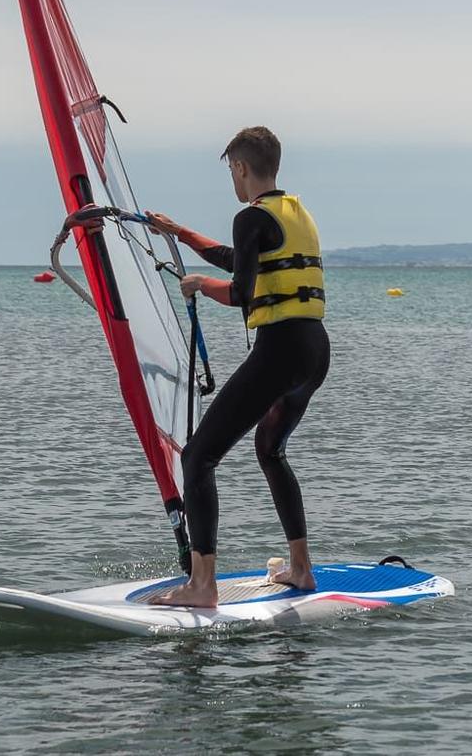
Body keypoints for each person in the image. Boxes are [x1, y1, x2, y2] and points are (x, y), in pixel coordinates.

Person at [141, 126, 329, 608]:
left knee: (198, 457)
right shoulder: (294, 212)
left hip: (280, 351)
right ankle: (301, 569)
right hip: (313, 350)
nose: (232, 180)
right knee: (270, 450)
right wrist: (180, 233)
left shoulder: (249, 217)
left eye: (231, 171)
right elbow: (238, 259)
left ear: (240, 168)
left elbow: (242, 291)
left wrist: (202, 285)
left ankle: (202, 586)